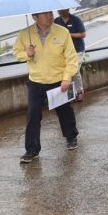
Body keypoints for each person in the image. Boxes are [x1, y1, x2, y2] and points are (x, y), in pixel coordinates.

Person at [13, 11, 80, 163]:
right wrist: (27, 54)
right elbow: (17, 53)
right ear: (35, 17)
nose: (50, 16)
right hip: (36, 81)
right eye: (45, 14)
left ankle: (71, 137)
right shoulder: (25, 34)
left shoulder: (62, 32)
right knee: (33, 115)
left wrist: (66, 78)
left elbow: (71, 57)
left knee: (64, 111)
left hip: (58, 79)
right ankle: (31, 150)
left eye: (51, 13)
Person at [54, 8, 87, 102]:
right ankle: (70, 94)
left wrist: (68, 35)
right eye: (59, 10)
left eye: (62, 10)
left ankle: (80, 92)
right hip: (64, 51)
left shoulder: (76, 20)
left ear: (67, 10)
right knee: (66, 73)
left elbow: (83, 34)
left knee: (74, 71)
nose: (60, 12)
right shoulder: (56, 21)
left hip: (77, 50)